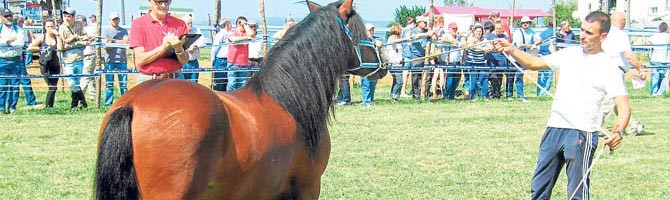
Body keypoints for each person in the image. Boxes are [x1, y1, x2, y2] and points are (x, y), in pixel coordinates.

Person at [492, 11, 627, 200]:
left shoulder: (609, 67)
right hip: (554, 128)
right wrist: (511, 49)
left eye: (589, 33)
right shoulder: (569, 53)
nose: (583, 36)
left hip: (582, 132)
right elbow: (534, 62)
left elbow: (624, 107)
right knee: (539, 189)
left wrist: (618, 131)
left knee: (577, 193)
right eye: (582, 30)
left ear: (603, 36)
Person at [599, 12, 645, 136]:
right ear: (621, 21)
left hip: (602, 69)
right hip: (614, 71)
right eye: (625, 19)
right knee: (609, 102)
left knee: (617, 102)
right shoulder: (620, 35)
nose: (625, 22)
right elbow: (628, 55)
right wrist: (640, 69)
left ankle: (632, 126)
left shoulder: (603, 32)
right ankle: (592, 126)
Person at [129, 0, 189, 81]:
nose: (164, 5)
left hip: (176, 78)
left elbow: (184, 60)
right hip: (149, 80)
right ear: (150, 1)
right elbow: (140, 60)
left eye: (167, 2)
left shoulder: (180, 24)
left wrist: (178, 48)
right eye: (159, 2)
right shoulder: (138, 24)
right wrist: (163, 48)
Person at [58, 8, 90, 110]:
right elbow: (65, 42)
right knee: (71, 83)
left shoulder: (79, 24)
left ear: (73, 16)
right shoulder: (62, 28)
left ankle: (75, 104)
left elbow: (85, 37)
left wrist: (77, 40)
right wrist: (77, 39)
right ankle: (82, 101)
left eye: (69, 16)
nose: (67, 18)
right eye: (66, 16)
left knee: (77, 82)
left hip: (79, 57)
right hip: (68, 58)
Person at [28, 19, 61, 108]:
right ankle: (48, 106)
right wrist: (41, 49)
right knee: (51, 86)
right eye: (48, 26)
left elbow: (61, 47)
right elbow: (30, 47)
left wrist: (57, 35)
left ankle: (50, 106)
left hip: (55, 64)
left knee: (54, 87)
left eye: (52, 26)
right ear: (45, 27)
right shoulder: (42, 37)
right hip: (45, 64)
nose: (50, 28)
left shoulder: (56, 37)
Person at [0, 9, 27, 114]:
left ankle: (12, 107)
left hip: (16, 60)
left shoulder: (19, 30)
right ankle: (1, 108)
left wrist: (4, 42)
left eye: (10, 15)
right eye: (6, 16)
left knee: (15, 85)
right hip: (2, 60)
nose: (9, 18)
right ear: (2, 17)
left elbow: (20, 43)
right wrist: (9, 40)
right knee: (2, 85)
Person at [101, 12, 129, 106]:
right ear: (110, 20)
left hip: (122, 60)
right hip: (109, 60)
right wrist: (116, 42)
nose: (115, 21)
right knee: (109, 83)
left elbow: (126, 41)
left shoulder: (124, 31)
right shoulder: (106, 31)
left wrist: (113, 41)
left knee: (123, 84)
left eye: (117, 19)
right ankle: (108, 103)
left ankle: (124, 103)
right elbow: (106, 45)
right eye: (113, 19)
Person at [510, 16, 539, 102]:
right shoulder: (517, 32)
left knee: (519, 76)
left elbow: (539, 39)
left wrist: (536, 44)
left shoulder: (532, 32)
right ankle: (510, 95)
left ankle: (520, 95)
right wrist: (530, 45)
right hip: (516, 57)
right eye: (523, 23)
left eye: (527, 22)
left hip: (525, 57)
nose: (525, 24)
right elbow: (519, 45)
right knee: (512, 76)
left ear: (529, 23)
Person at [15, 15, 40, 108]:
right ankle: (31, 101)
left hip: (12, 58)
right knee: (24, 80)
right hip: (18, 59)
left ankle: (9, 103)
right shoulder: (19, 31)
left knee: (8, 81)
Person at [407, 16, 433, 99]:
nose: (425, 24)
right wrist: (426, 34)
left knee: (428, 75)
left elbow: (434, 37)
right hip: (416, 56)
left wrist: (433, 32)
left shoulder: (427, 31)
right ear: (419, 23)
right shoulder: (413, 31)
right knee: (415, 76)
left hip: (426, 56)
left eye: (426, 22)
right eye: (424, 22)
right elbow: (414, 36)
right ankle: (416, 95)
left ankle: (426, 93)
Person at [226, 16, 255, 91]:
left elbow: (252, 34)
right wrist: (246, 38)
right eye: (244, 24)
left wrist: (245, 25)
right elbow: (233, 39)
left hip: (244, 63)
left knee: (242, 85)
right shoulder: (232, 32)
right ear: (238, 23)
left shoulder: (247, 33)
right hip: (233, 63)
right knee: (232, 84)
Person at [465, 25, 492, 101]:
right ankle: (472, 96)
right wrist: (484, 49)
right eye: (477, 31)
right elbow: (472, 46)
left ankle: (485, 96)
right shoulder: (471, 38)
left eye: (480, 31)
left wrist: (489, 48)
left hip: (482, 62)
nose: (479, 33)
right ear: (474, 32)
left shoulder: (484, 39)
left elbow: (490, 45)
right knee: (473, 79)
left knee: (484, 79)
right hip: (472, 62)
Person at [485, 22, 510, 99]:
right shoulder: (489, 36)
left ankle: (497, 92)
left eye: (499, 28)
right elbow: (487, 45)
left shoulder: (504, 37)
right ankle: (494, 91)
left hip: (501, 58)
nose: (498, 30)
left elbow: (506, 45)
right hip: (492, 58)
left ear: (502, 29)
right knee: (492, 75)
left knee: (500, 75)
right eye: (497, 28)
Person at [179, 15, 206, 83]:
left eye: (191, 23)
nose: (190, 25)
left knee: (194, 85)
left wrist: (195, 46)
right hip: (182, 63)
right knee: (181, 85)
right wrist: (187, 48)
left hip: (193, 62)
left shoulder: (196, 30)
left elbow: (203, 42)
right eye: (188, 23)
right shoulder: (179, 31)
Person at [361, 23, 382, 107]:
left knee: (373, 84)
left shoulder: (376, 39)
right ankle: (366, 101)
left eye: (372, 30)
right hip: (365, 65)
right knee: (366, 84)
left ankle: (371, 99)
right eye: (369, 30)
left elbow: (380, 43)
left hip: (375, 65)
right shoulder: (362, 40)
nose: (371, 32)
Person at [441, 22, 464, 100]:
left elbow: (464, 44)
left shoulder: (459, 37)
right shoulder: (446, 36)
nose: (455, 30)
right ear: (449, 29)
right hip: (448, 61)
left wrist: (462, 36)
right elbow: (443, 40)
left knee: (456, 79)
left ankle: (452, 95)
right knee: (449, 80)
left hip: (457, 61)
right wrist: (452, 42)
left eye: (456, 28)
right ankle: (446, 96)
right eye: (453, 29)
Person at [78, 14, 98, 101]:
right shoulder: (78, 30)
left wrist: (83, 38)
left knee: (85, 76)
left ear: (84, 22)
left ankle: (79, 97)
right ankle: (93, 96)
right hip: (82, 55)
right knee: (90, 76)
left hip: (89, 55)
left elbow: (92, 36)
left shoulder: (88, 29)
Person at [646, 22, 668, 96]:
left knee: (655, 76)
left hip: (655, 58)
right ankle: (661, 92)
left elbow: (647, 42)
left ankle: (654, 92)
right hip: (665, 59)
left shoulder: (655, 36)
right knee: (663, 77)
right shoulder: (668, 36)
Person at [537, 21, 556, 97]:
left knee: (541, 76)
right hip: (549, 56)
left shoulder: (543, 33)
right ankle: (543, 94)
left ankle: (539, 93)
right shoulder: (554, 34)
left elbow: (538, 41)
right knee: (548, 77)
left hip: (540, 55)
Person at [211, 18, 231, 91]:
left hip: (225, 60)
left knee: (224, 82)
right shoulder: (221, 34)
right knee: (220, 82)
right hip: (221, 60)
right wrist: (213, 60)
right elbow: (215, 48)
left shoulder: (227, 34)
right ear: (227, 25)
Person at [387, 24, 404, 103]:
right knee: (399, 81)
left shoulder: (399, 39)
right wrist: (405, 39)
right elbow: (393, 42)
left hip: (398, 63)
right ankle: (394, 97)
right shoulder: (391, 38)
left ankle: (394, 96)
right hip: (393, 63)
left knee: (396, 81)